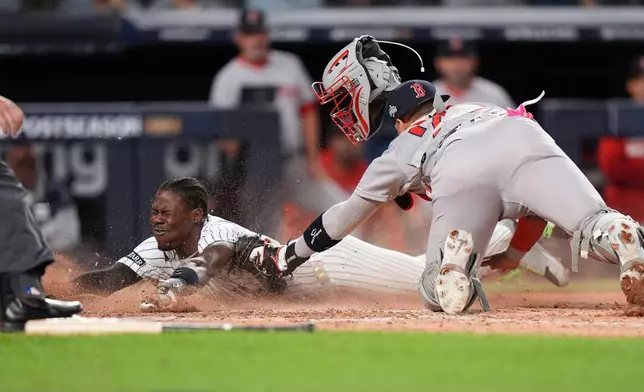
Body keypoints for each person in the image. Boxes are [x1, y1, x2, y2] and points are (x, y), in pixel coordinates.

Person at [254, 36, 644, 315]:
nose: (341, 110)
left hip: (456, 164)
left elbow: (343, 218)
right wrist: (516, 254)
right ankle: (620, 237)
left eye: (343, 99)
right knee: (591, 223)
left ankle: (453, 264)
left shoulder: (400, 150)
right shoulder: (476, 106)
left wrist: (289, 255)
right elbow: (533, 211)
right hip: (519, 131)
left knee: (434, 291)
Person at [72, 176, 567, 308]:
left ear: (196, 215)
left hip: (328, 267)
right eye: (155, 210)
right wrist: (60, 290)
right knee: (431, 272)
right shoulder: (156, 246)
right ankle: (506, 249)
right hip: (301, 283)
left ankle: (515, 227)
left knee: (428, 274)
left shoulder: (216, 233)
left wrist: (173, 291)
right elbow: (112, 279)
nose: (156, 218)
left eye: (166, 211)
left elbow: (212, 259)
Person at [208, 9, 346, 237]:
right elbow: (222, 133)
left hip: (294, 160)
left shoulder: (289, 64)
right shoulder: (228, 77)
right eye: (250, 34)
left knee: (338, 204)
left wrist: (313, 157)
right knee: (262, 230)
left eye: (261, 33)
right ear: (239, 38)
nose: (257, 39)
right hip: (255, 169)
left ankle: (359, 255)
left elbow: (308, 110)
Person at [0, 95, 82, 330]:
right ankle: (28, 295)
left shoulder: (54, 192)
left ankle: (21, 296)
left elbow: (70, 236)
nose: (23, 154)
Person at [433, 37, 514, 108]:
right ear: (438, 63)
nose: (456, 64)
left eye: (463, 58)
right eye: (450, 59)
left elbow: (515, 122)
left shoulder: (493, 93)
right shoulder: (428, 96)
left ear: (475, 62)